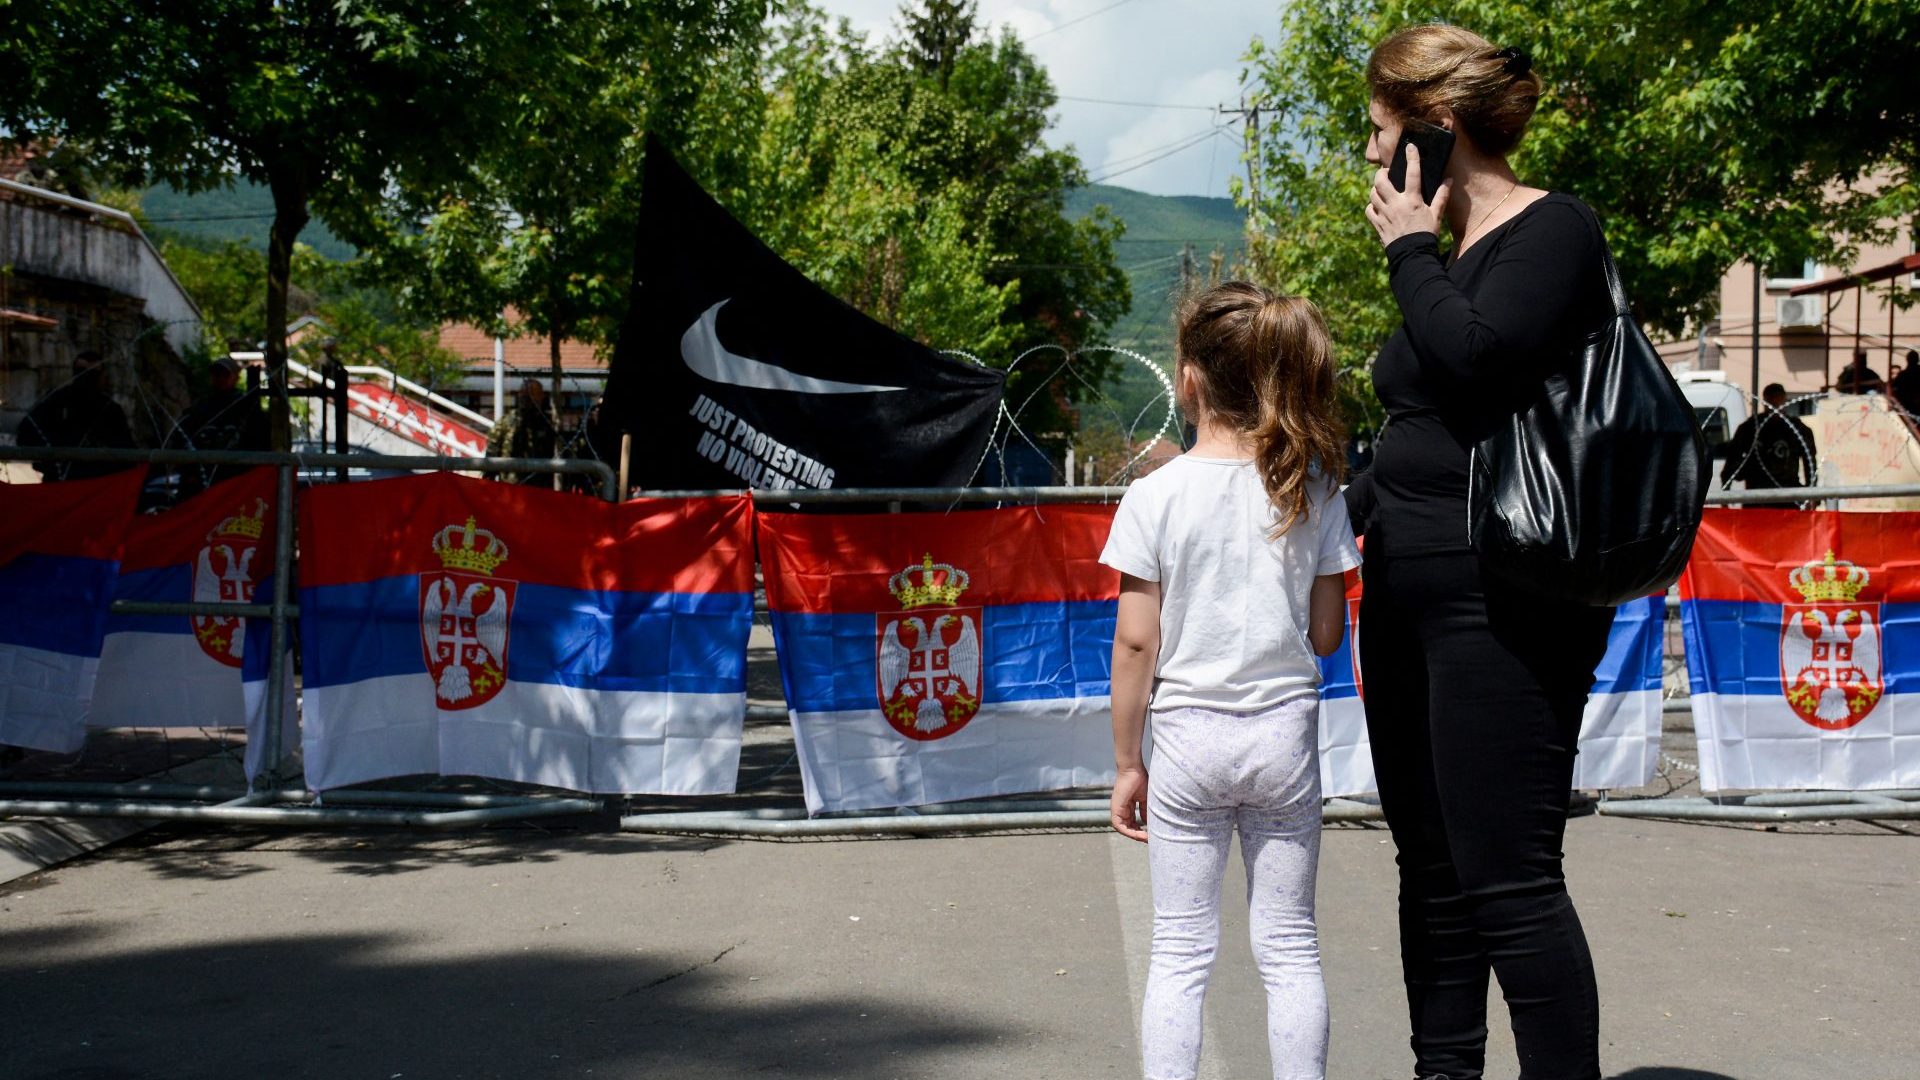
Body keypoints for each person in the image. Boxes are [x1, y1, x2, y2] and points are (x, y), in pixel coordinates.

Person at [1358, 25, 1620, 1080]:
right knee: (1429, 870)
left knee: (1508, 879)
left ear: (1435, 126)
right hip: (1405, 589)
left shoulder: (1553, 230)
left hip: (1500, 601)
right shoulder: (1454, 254)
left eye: (1379, 131)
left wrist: (1411, 252)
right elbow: (1430, 414)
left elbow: (1475, 361)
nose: (1372, 158)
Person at [1101, 282, 1359, 1080]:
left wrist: (1125, 763)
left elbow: (1137, 643)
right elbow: (1326, 635)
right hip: (1283, 734)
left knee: (1179, 950)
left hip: (1187, 738)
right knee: (1289, 944)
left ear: (1190, 380)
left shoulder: (1154, 496)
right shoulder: (1313, 490)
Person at [17, 350, 137, 481]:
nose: (87, 379)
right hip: (73, 480)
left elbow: (125, 450)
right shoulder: (58, 402)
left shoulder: (108, 409)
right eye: (84, 372)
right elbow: (27, 432)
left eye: (92, 374)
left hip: (89, 480)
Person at [166, 357, 271, 499]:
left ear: (235, 377)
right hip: (200, 481)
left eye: (225, 375)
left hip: (234, 483)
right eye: (216, 375)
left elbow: (258, 441)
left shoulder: (245, 408)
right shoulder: (200, 408)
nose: (220, 379)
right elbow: (181, 440)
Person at [1720, 383, 1816, 495]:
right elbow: (1732, 458)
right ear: (1765, 401)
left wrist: (1812, 493)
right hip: (1758, 491)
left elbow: (1810, 463)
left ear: (1783, 400)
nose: (1774, 403)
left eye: (1778, 399)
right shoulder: (1751, 428)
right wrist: (1726, 489)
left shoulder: (1796, 428)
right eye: (1771, 400)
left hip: (1788, 490)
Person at [486, 378, 557, 485]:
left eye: (533, 394)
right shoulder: (507, 422)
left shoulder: (547, 423)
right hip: (511, 485)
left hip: (541, 485)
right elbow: (492, 453)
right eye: (524, 395)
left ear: (542, 397)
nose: (526, 398)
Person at [1889, 349, 1920, 418]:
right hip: (1908, 405)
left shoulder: (1903, 374)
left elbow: (1894, 388)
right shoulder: (1903, 374)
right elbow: (1894, 388)